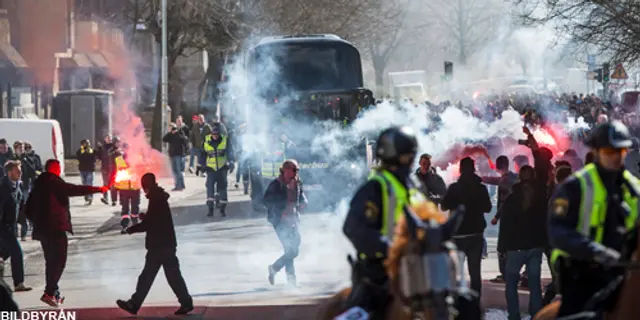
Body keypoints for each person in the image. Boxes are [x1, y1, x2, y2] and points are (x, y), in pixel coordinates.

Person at [549, 121, 640, 318]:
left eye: (621, 151)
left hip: (623, 271)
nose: (616, 157)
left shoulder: (634, 188)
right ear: (597, 152)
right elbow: (558, 230)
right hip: (582, 272)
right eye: (609, 152)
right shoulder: (575, 186)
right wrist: (595, 251)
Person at [341, 126, 425, 317]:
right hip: (378, 274)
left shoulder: (415, 188)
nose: (411, 160)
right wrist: (388, 246)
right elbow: (353, 227)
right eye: (407, 155)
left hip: (417, 270)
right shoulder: (376, 187)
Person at [24, 159, 108, 307]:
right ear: (54, 168)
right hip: (55, 228)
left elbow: (27, 208)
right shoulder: (54, 182)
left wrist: (36, 222)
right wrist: (98, 189)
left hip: (43, 230)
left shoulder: (38, 184)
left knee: (51, 261)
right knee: (59, 261)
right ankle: (49, 292)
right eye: (58, 167)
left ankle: (53, 293)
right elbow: (75, 189)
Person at [117, 173, 193, 315]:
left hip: (159, 245)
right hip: (165, 243)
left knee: (148, 277)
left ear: (146, 186)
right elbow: (156, 220)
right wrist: (145, 217)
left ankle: (134, 304)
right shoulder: (158, 197)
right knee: (172, 276)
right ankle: (186, 302)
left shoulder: (156, 199)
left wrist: (131, 229)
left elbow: (150, 224)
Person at [441, 157, 492, 299]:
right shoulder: (481, 188)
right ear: (474, 168)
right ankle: (475, 303)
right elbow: (487, 208)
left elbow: (444, 206)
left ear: (461, 169)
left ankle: (456, 304)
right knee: (475, 273)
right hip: (476, 234)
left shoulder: (454, 188)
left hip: (458, 235)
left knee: (456, 273)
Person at [500, 165, 546, 320]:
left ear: (519, 177)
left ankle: (514, 315)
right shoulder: (540, 198)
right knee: (534, 282)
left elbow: (505, 224)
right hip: (535, 245)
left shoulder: (512, 198)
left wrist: (502, 246)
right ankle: (537, 314)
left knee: (511, 282)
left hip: (515, 246)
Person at [265, 159, 307, 287]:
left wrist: (303, 202)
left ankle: (274, 268)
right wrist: (281, 209)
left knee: (294, 248)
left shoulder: (298, 183)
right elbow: (266, 201)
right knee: (290, 250)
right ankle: (291, 281)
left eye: (296, 170)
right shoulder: (276, 185)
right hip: (280, 221)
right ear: (285, 171)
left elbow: (301, 197)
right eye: (293, 170)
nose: (295, 173)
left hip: (293, 219)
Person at [483, 155, 518, 283]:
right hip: (516, 217)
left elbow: (504, 202)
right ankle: (512, 272)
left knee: (502, 246)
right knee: (512, 245)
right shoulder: (513, 177)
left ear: (498, 166)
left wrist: (496, 217)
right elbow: (496, 180)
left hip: (507, 218)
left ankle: (505, 274)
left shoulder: (505, 181)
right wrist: (482, 178)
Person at [0, 161, 31, 292]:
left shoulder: (18, 185)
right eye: (17, 171)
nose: (20, 173)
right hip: (2, 225)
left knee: (4, 253)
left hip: (12, 226)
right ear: (9, 172)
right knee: (16, 252)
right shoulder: (2, 186)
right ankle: (18, 283)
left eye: (20, 171)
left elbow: (21, 205)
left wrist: (25, 221)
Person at [203, 126, 235, 217]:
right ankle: (210, 209)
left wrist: (231, 162)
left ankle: (222, 209)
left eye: (217, 134)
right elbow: (202, 153)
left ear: (219, 134)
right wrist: (201, 165)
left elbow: (230, 152)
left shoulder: (225, 140)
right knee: (210, 189)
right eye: (213, 134)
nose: (215, 136)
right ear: (211, 134)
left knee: (223, 188)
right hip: (211, 169)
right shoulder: (206, 140)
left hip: (222, 168)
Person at [113, 144, 142, 234]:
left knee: (134, 207)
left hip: (134, 187)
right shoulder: (118, 160)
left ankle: (134, 224)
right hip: (124, 188)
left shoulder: (138, 159)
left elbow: (142, 172)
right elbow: (114, 174)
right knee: (125, 208)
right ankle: (125, 226)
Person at [76, 139, 97, 206]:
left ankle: (90, 197)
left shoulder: (91, 150)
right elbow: (78, 157)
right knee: (84, 184)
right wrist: (83, 151)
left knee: (89, 183)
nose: (87, 144)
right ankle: (86, 197)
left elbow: (94, 158)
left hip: (90, 169)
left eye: (88, 143)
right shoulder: (80, 151)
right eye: (85, 143)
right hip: (82, 170)